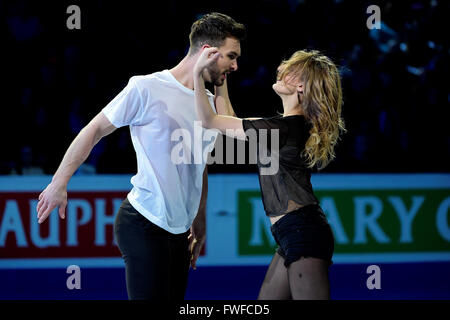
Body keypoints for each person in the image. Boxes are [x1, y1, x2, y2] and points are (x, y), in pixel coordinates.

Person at [36, 12, 246, 300]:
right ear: (208, 52)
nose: (235, 65)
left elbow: (201, 161)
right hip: (144, 222)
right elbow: (94, 129)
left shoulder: (207, 105)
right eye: (230, 57)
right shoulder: (147, 87)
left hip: (180, 230)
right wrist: (59, 182)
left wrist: (200, 217)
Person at [193, 48, 345, 299]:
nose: (281, 69)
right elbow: (227, 120)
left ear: (302, 87)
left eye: (292, 71)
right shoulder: (283, 128)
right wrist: (221, 77)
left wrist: (199, 71)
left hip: (303, 233)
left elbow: (209, 121)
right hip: (290, 233)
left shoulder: (283, 129)